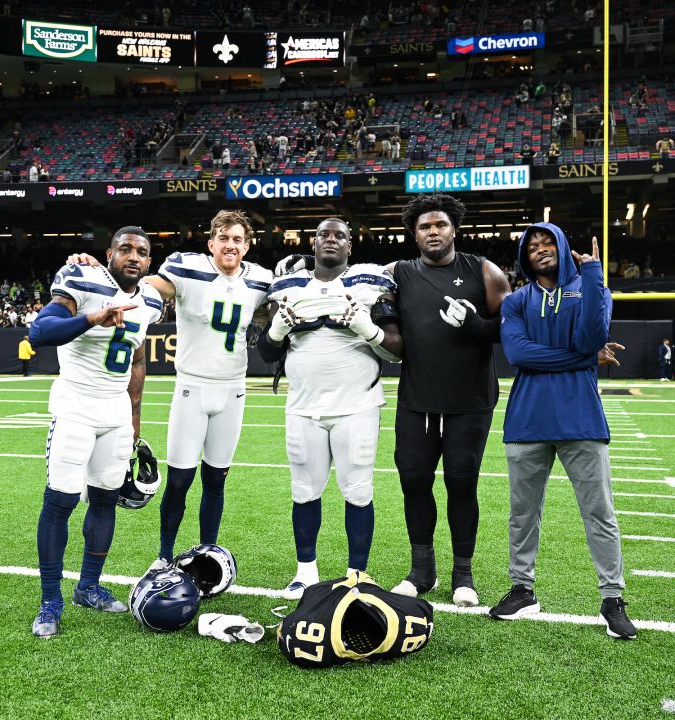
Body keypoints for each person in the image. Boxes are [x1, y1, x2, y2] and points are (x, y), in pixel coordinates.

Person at [67, 210, 274, 571]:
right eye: (223, 238)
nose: (230, 245)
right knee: (179, 479)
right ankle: (164, 555)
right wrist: (94, 269)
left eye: (238, 239)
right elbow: (141, 285)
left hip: (233, 391)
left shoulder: (260, 279)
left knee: (216, 479)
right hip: (192, 387)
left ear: (247, 245)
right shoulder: (186, 267)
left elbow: (285, 298)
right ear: (211, 243)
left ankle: (209, 554)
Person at [491, 223, 637, 641]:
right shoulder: (517, 301)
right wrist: (585, 359)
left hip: (581, 420)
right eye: (532, 246)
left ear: (563, 247)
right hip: (527, 420)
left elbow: (593, 334)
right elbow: (519, 354)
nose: (540, 249)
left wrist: (593, 275)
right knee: (522, 515)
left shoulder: (593, 288)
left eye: (547, 242)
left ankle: (612, 599)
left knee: (600, 514)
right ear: (525, 256)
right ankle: (523, 590)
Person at [26, 227, 164, 638]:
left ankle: (88, 586)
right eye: (125, 249)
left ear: (149, 262)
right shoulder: (81, 279)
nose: (133, 256)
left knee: (105, 500)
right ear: (108, 254)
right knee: (61, 501)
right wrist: (91, 317)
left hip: (116, 413)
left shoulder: (151, 299)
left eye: (141, 251)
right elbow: (39, 333)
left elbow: (137, 356)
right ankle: (50, 600)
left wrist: (136, 416)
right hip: (74, 408)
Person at [260, 218, 403, 599]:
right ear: (313, 241)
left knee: (357, 490)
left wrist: (366, 327)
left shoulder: (370, 281)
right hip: (303, 406)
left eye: (339, 235)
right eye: (324, 234)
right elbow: (265, 352)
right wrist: (275, 331)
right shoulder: (287, 285)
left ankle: (357, 573)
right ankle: (305, 571)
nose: (331, 240)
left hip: (357, 404)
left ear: (350, 245)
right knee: (304, 490)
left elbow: (397, 349)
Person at [384, 193, 512, 608]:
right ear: (414, 234)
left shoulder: (484, 271)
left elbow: (513, 328)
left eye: (439, 225)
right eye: (424, 227)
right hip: (418, 400)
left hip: (469, 400)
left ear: (454, 228)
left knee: (462, 483)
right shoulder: (396, 273)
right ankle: (422, 570)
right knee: (413, 482)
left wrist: (477, 325)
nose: (433, 232)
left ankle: (463, 574)